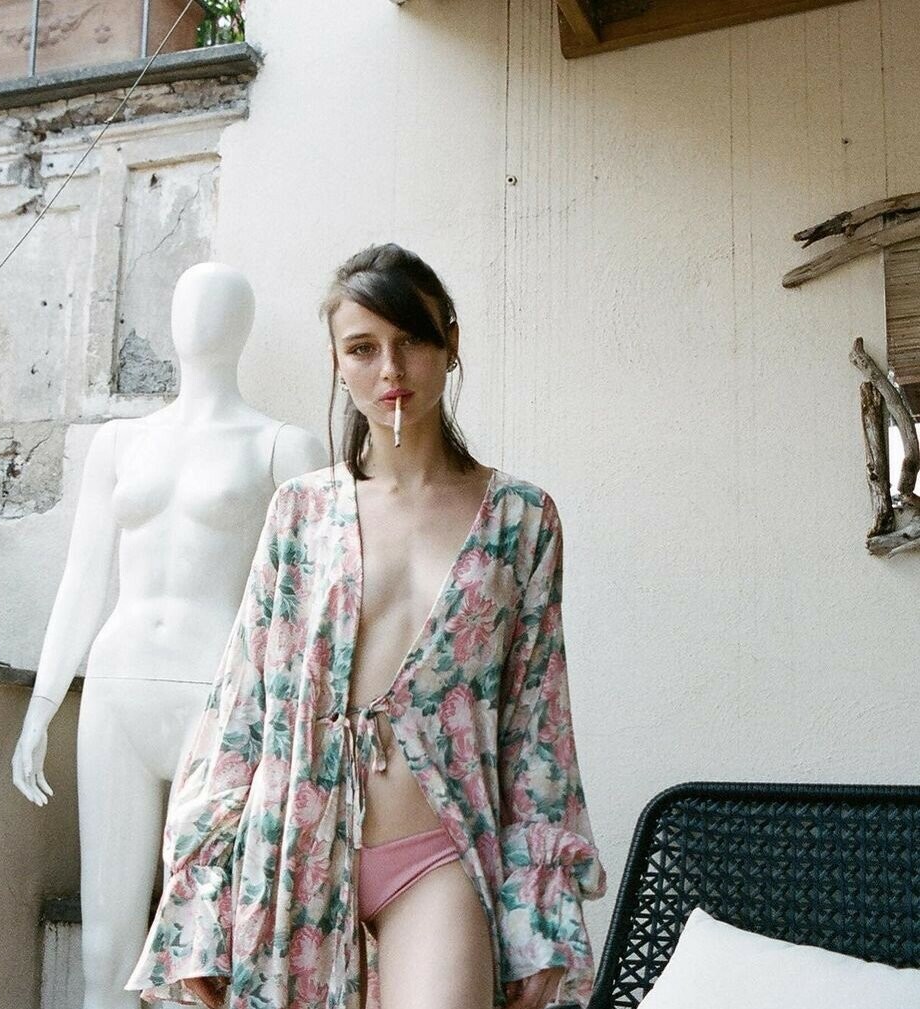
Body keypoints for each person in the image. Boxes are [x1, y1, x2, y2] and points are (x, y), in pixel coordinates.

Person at [125, 243, 606, 1009]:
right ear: (337, 362)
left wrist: (538, 913)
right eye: (363, 347)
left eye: (411, 339)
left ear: (450, 343)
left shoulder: (521, 518)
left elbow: (537, 726)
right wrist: (199, 895)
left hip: (436, 855)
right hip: (291, 851)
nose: (391, 368)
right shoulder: (300, 511)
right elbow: (242, 706)